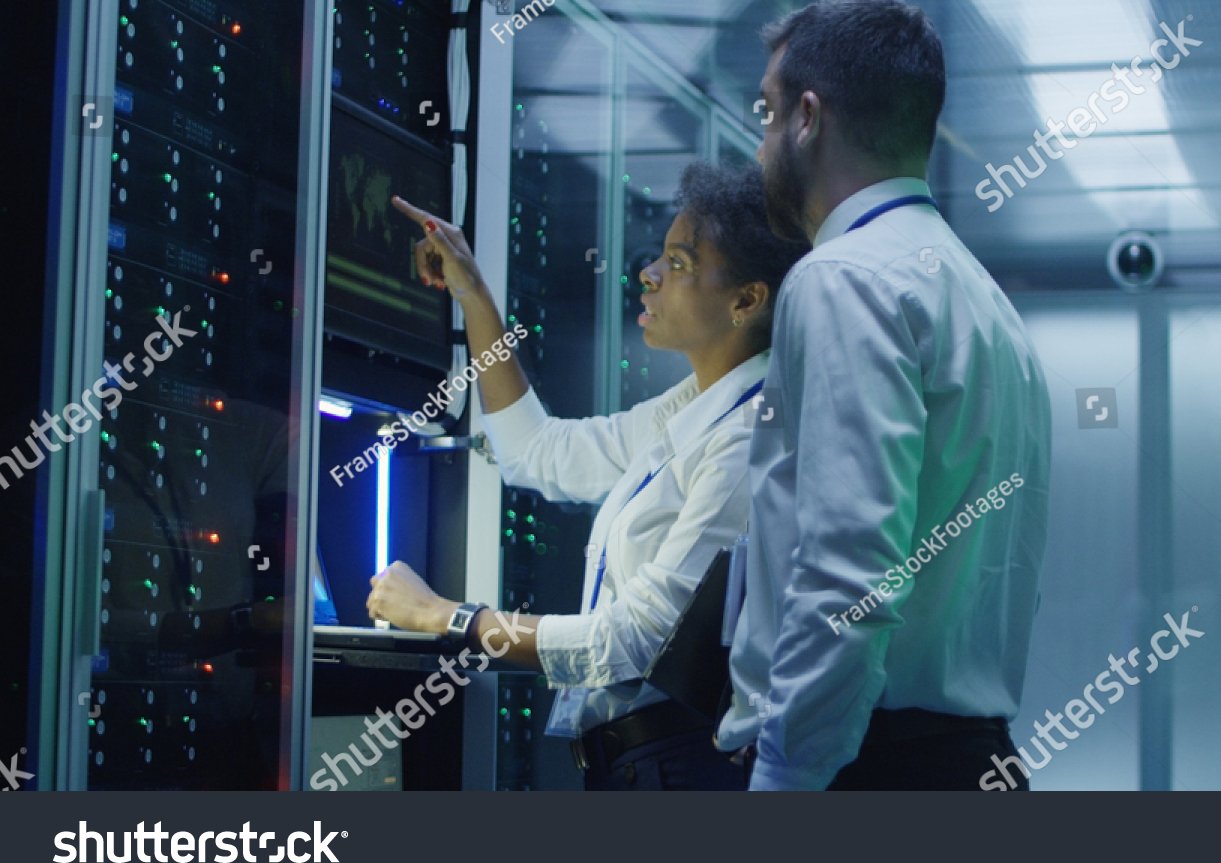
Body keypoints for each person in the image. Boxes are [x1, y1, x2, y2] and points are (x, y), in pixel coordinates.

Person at [366, 162, 809, 790]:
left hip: (683, 769)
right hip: (641, 766)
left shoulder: (746, 439)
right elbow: (536, 451)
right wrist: (473, 295)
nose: (648, 275)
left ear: (746, 299)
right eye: (659, 257)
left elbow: (637, 641)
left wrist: (448, 615)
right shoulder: (693, 407)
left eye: (678, 264)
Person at [716, 0, 1054, 791]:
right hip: (968, 757)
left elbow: (849, 571)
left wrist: (784, 778)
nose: (760, 143)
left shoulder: (843, 279)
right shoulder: (984, 302)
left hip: (867, 764)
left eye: (766, 113)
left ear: (808, 118)